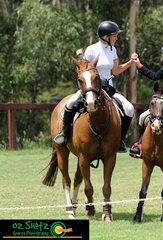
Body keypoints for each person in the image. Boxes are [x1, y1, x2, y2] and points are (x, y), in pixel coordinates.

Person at [54, 20, 137, 152]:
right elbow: (84, 68)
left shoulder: (113, 50)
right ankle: (64, 134)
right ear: (106, 36)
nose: (117, 37)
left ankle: (119, 140)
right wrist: (81, 57)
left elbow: (116, 70)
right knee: (70, 104)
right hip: (91, 87)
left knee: (129, 108)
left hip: (108, 87)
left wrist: (130, 62)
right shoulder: (92, 49)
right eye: (114, 35)